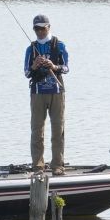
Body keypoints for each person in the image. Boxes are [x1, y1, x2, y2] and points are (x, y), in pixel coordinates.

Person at [23, 15, 69, 173]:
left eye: (43, 28)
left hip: (57, 92)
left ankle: (58, 165)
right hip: (37, 93)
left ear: (49, 27)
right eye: (37, 28)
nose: (40, 31)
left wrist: (54, 66)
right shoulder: (31, 49)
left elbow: (66, 68)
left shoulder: (59, 45)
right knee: (37, 130)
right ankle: (38, 165)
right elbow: (26, 73)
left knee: (58, 130)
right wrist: (34, 66)